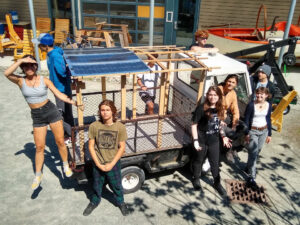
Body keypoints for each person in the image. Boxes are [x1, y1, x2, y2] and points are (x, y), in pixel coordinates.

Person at [4, 55, 80, 190]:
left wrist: (73, 102)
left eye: (31, 65)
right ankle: (38, 175)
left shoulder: (44, 80)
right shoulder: (20, 81)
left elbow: (59, 94)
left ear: (36, 66)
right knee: (39, 147)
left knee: (60, 141)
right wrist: (21, 60)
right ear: (22, 67)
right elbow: (6, 73)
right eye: (25, 65)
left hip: (51, 111)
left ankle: (65, 165)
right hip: (37, 116)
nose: (29, 68)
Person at [83, 100, 129, 216]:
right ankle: (94, 201)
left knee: (117, 185)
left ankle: (121, 202)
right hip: (98, 162)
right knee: (97, 185)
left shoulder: (120, 127)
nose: (105, 113)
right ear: (99, 112)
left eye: (107, 110)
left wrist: (111, 164)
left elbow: (122, 147)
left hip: (113, 163)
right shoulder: (94, 126)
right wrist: (98, 164)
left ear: (113, 111)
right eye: (102, 110)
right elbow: (91, 146)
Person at [191, 86, 232, 196]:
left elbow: (218, 124)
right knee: (198, 160)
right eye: (210, 95)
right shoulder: (201, 108)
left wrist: (223, 136)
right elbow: (194, 125)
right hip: (201, 140)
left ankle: (217, 183)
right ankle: (196, 179)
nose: (212, 97)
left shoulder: (219, 108)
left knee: (215, 163)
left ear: (218, 96)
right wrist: (195, 140)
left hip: (214, 141)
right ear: (207, 95)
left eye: (215, 95)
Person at [38, 33, 74, 142]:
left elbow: (62, 71)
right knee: (66, 112)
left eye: (39, 44)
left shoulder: (55, 55)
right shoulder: (53, 52)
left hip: (61, 90)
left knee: (62, 113)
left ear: (45, 46)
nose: (38, 46)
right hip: (60, 88)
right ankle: (70, 133)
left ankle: (69, 135)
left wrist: (67, 74)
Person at [243, 87, 272, 190]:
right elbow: (246, 119)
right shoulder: (251, 105)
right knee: (254, 153)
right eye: (258, 94)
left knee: (257, 151)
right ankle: (252, 177)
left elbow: (268, 118)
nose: (259, 96)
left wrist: (269, 134)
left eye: (262, 94)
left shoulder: (268, 105)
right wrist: (246, 133)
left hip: (264, 131)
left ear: (266, 95)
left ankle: (248, 167)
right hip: (253, 131)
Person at [218, 74, 247, 162]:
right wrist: (218, 120)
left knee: (244, 127)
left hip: (225, 117)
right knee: (230, 133)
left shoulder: (233, 93)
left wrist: (235, 123)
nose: (230, 84)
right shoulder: (218, 89)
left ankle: (233, 147)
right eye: (229, 81)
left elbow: (235, 110)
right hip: (216, 118)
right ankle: (228, 150)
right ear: (226, 81)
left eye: (233, 82)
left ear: (236, 84)